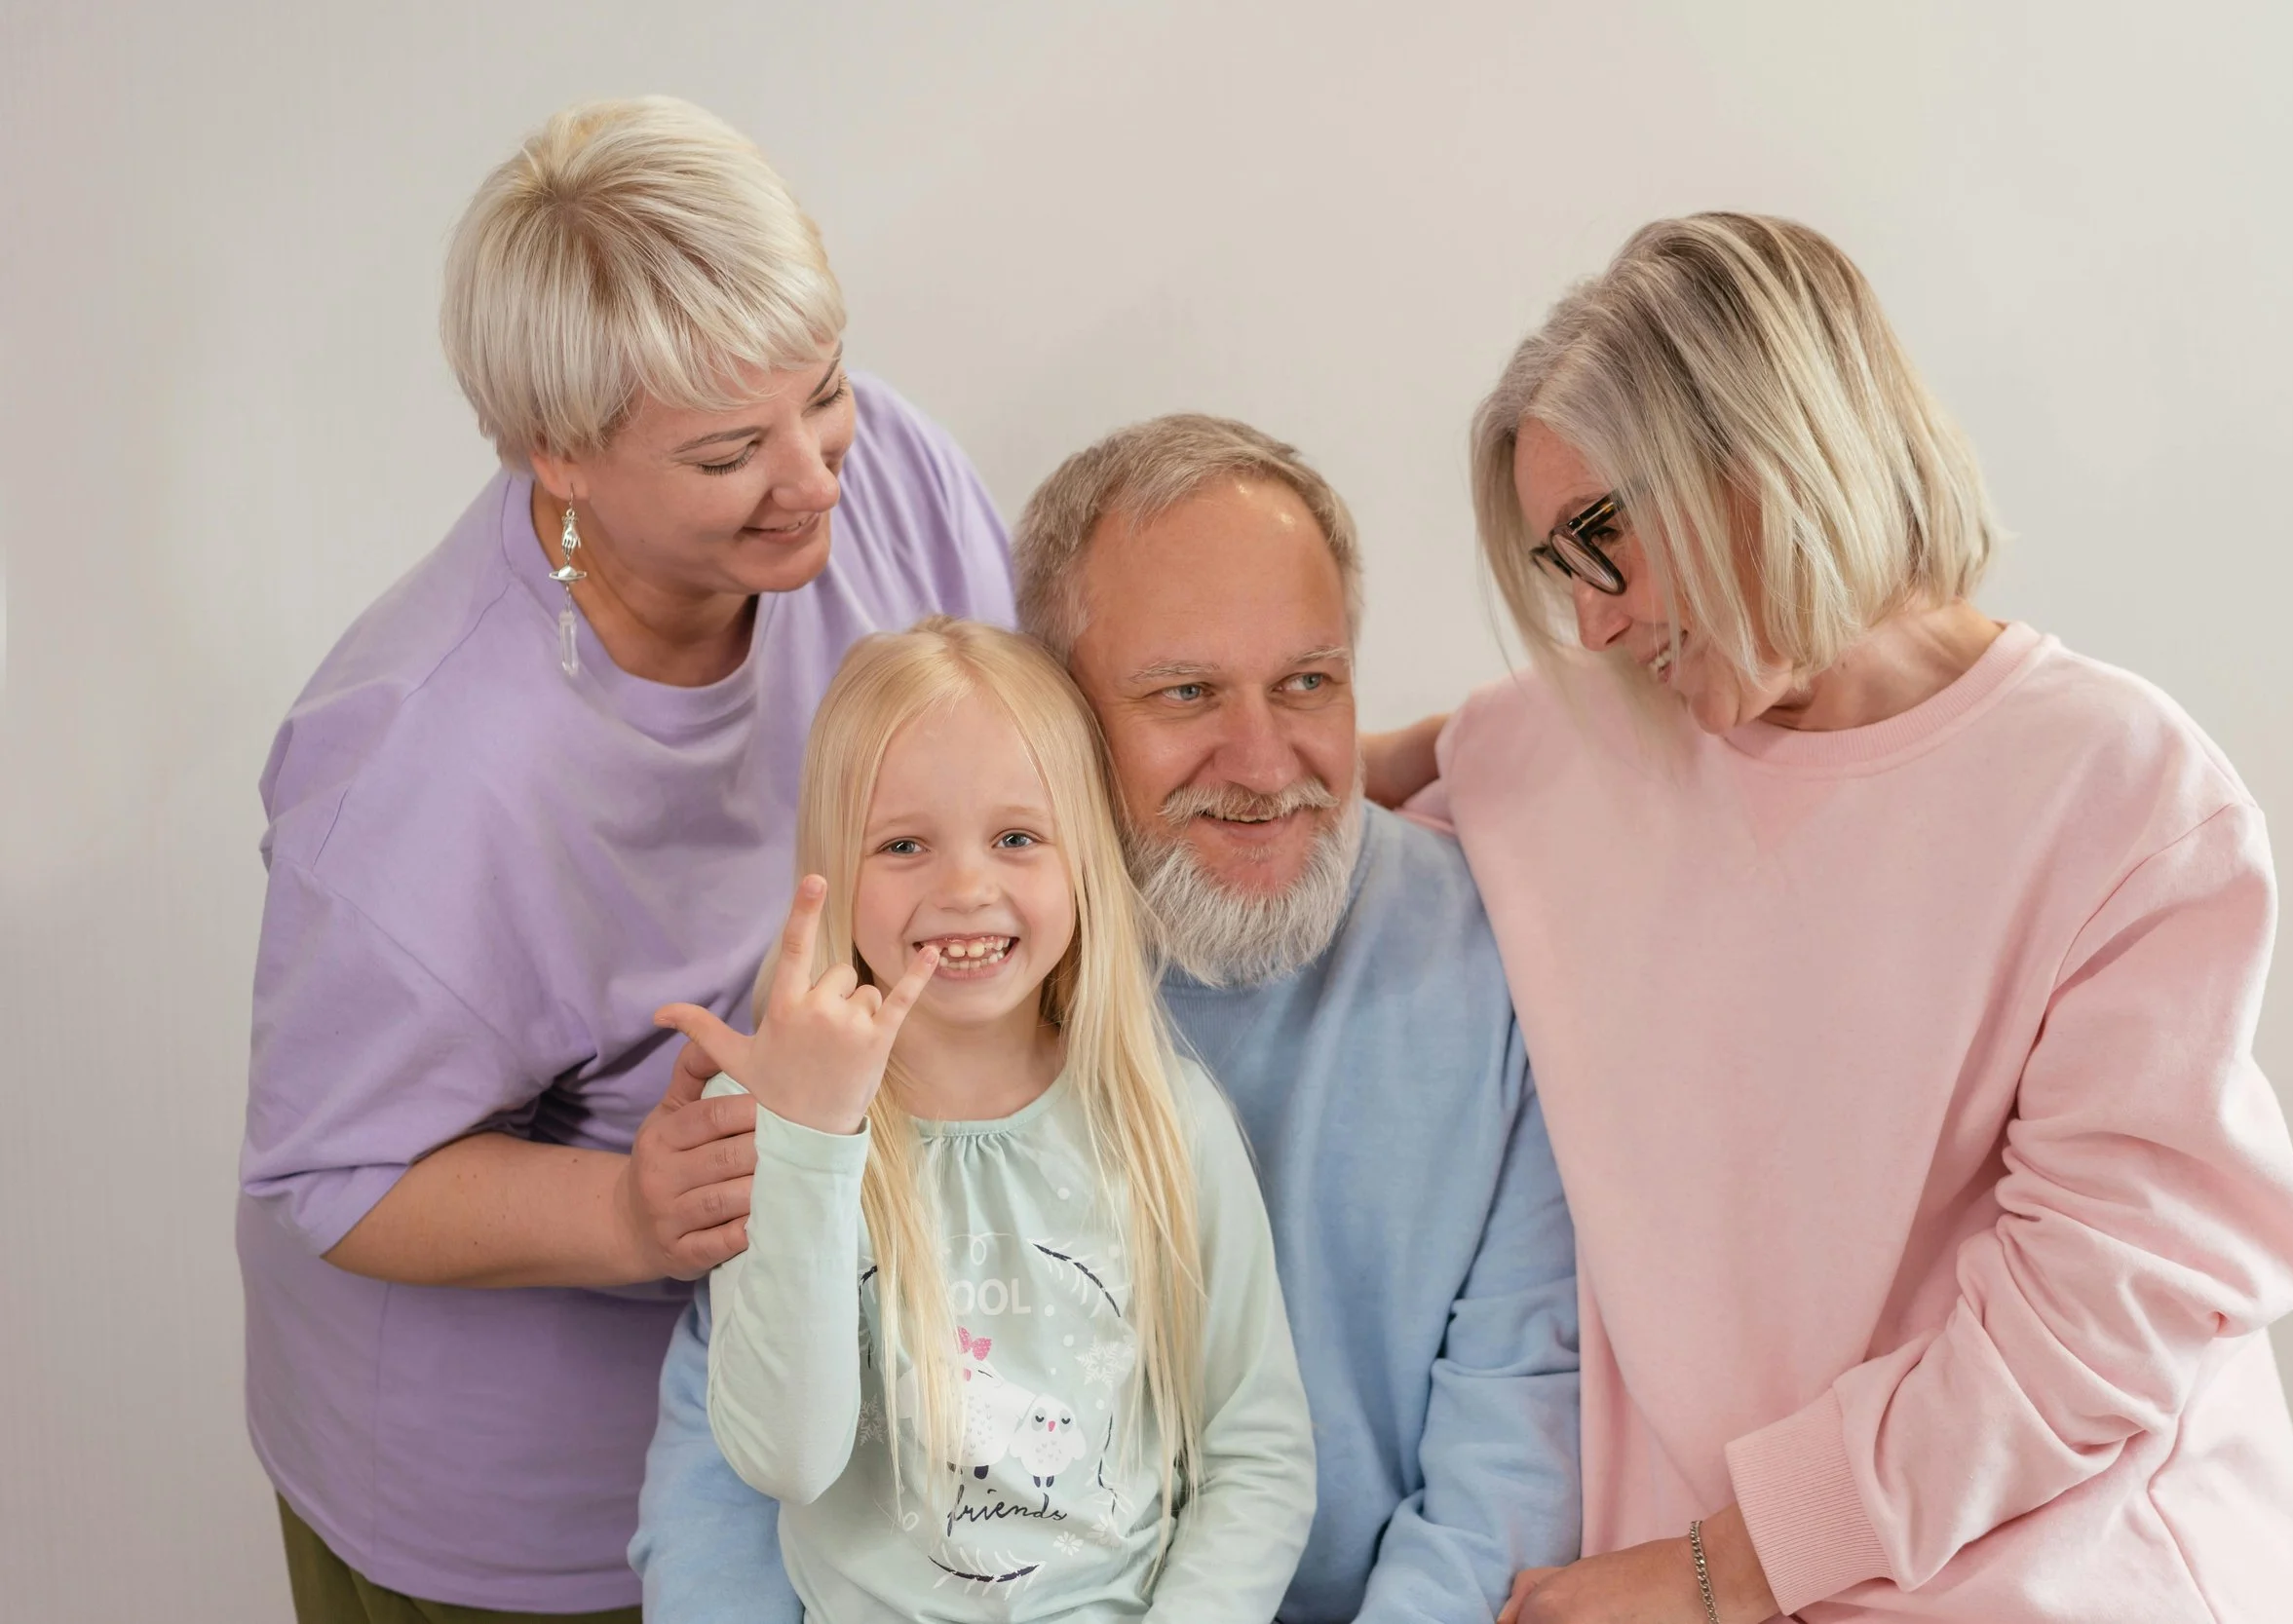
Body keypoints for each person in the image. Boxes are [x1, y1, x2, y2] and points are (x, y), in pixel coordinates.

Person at [1415, 212, 2293, 1623]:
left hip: (2055, 1558)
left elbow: (2094, 1320)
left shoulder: (2124, 794)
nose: (1593, 624)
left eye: (1607, 539)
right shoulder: (1578, 754)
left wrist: (1721, 1568)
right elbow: (1273, 772)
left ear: (1763, 446)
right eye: (1560, 568)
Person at [239, 97, 1013, 1621]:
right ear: (562, 455)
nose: (817, 476)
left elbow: (1019, 751)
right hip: (526, 1496)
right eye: (730, 450)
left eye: (827, 391)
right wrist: (623, 1215)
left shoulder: (877, 472)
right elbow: (333, 1175)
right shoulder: (421, 775)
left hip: (835, 1405)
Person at [631, 416, 1583, 1623]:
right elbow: (730, 1458)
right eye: (1185, 691)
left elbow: (1513, 1426)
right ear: (1062, 715)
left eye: (1308, 681)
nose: (1258, 756)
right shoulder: (891, 990)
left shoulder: (1483, 960)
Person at [653, 618, 1317, 1620]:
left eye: (1015, 837)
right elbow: (785, 1457)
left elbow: (1257, 1449)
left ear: (1080, 857)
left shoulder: (1167, 1122)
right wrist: (814, 1139)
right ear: (831, 866)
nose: (966, 887)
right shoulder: (767, 1124)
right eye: (903, 843)